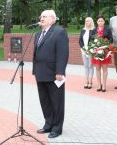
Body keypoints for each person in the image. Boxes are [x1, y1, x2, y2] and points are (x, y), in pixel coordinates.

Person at [33, 9, 69, 138]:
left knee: (56, 102)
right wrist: (34, 71)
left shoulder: (59, 32)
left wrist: (60, 71)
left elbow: (63, 53)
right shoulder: (38, 34)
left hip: (54, 74)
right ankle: (48, 124)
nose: (41, 18)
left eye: (45, 16)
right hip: (40, 73)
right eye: (41, 16)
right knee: (45, 101)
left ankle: (57, 128)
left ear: (53, 19)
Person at [89, 15, 113, 92]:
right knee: (98, 69)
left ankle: (104, 86)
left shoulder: (108, 29)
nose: (100, 22)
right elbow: (91, 40)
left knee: (105, 69)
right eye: (99, 21)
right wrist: (94, 46)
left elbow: (111, 39)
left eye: (102, 21)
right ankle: (99, 85)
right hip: (96, 52)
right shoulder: (93, 30)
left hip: (105, 51)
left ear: (104, 21)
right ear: (97, 22)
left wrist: (105, 44)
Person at [79, 17, 95, 89]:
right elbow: (80, 41)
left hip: (91, 51)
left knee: (90, 66)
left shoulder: (94, 30)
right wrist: (83, 48)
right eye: (86, 21)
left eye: (88, 21)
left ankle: (90, 82)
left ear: (91, 22)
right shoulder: (83, 30)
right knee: (86, 66)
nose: (87, 22)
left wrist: (89, 49)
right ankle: (86, 81)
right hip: (84, 50)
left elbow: (95, 40)